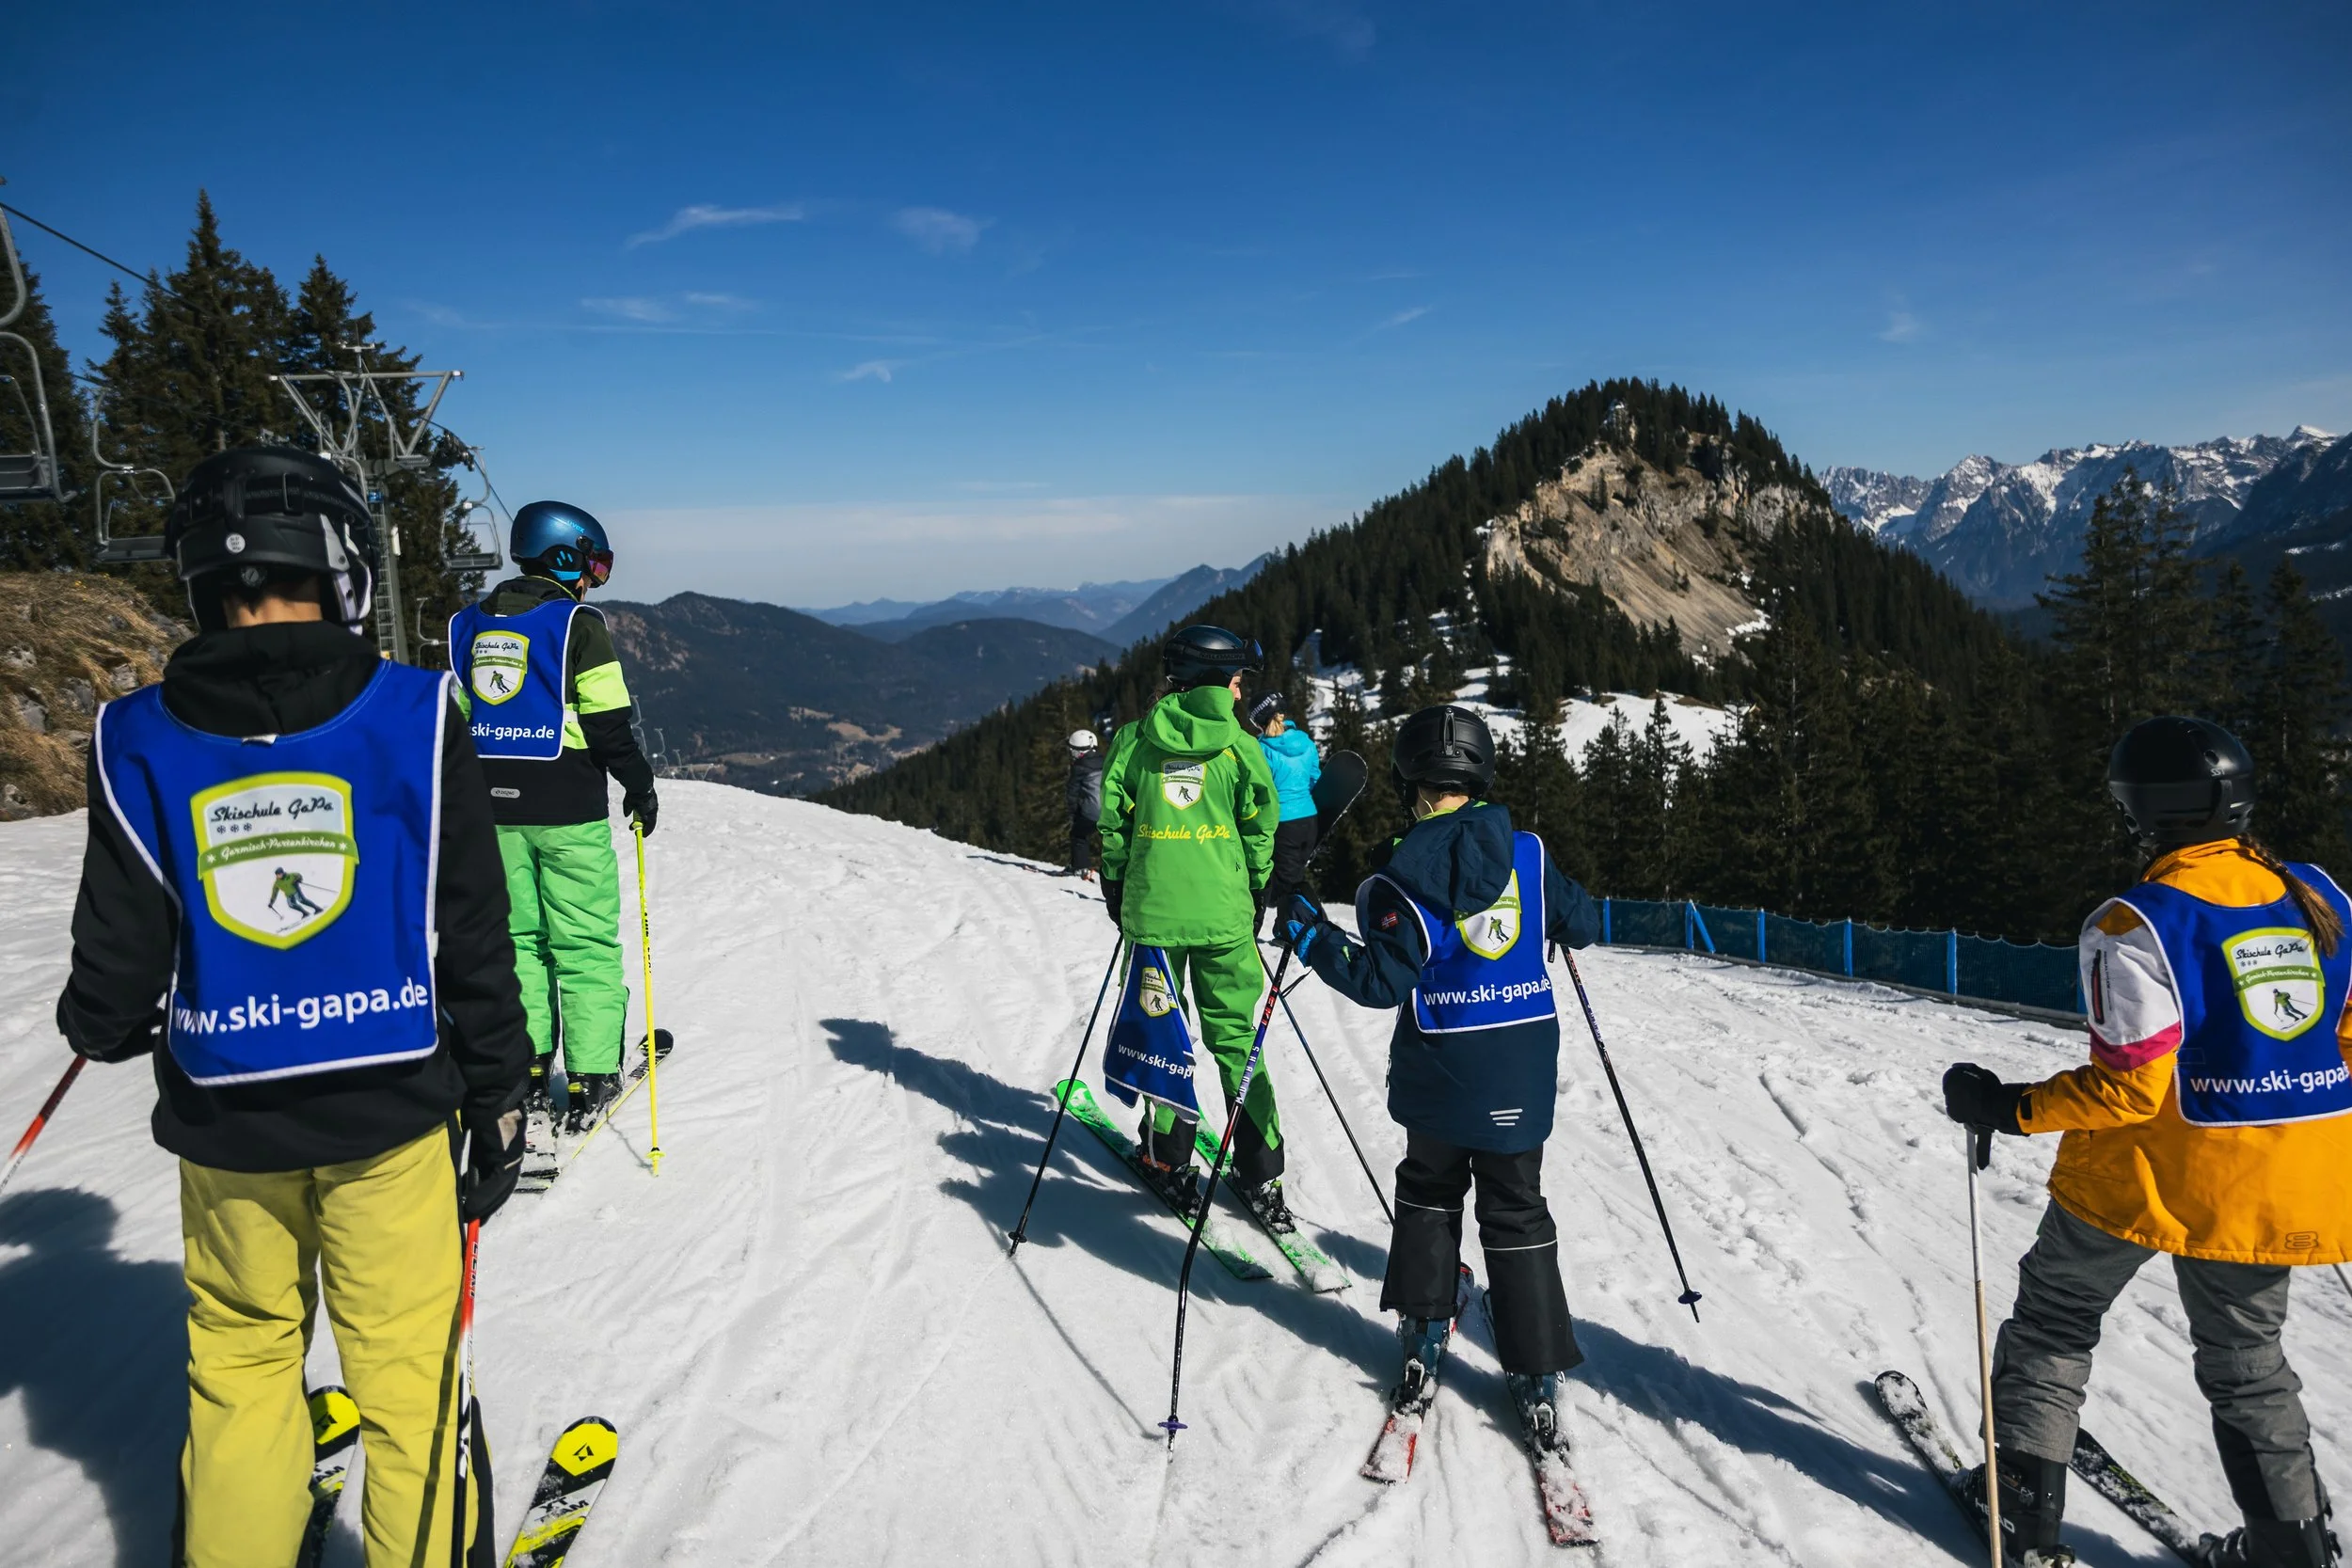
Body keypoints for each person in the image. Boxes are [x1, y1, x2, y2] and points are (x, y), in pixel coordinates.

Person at [55, 447, 532, 1568]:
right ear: (343, 571)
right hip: (390, 1115)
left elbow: (118, 964)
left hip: (230, 1128)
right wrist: (500, 1090)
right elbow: (469, 927)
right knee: (407, 1377)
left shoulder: (137, 736)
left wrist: (107, 1022)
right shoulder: (415, 714)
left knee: (240, 1364)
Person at [1942, 716, 2349, 1568]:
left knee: (2055, 1322)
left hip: (2139, 1182)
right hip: (2267, 1184)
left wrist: (2007, 1106)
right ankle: (2293, 1551)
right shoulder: (2320, 893)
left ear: (2140, 810)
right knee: (2249, 1362)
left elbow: (2130, 1087)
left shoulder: (2137, 923)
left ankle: (2021, 1512)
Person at [1277, 704, 1601, 1453]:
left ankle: (1422, 1337)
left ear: (1412, 784)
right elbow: (1582, 924)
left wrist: (1303, 928)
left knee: (1429, 1191)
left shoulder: (1405, 872)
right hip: (1521, 1072)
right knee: (1517, 1210)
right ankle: (1537, 1370)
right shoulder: (1529, 852)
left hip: (1440, 1075)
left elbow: (1379, 980)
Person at [450, 501, 659, 1132]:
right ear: (564, 556)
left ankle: (530, 1069)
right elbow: (606, 720)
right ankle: (593, 1074)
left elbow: (459, 720)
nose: (593, 578)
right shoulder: (577, 624)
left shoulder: (468, 625)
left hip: (489, 813)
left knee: (518, 943)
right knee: (584, 940)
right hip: (566, 807)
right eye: (592, 562)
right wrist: (640, 784)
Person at [1098, 625, 1283, 1219]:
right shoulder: (1240, 747)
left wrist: (1117, 884)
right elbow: (1260, 826)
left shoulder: (1133, 741)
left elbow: (1113, 826)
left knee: (1160, 1035)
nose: (1239, 691)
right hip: (1224, 919)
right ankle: (1259, 1170)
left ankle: (1166, 1156)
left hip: (1153, 918)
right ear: (1215, 682)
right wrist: (1253, 887)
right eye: (1235, 680)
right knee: (1235, 1039)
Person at [1248, 689, 1321, 934]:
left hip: (1282, 823)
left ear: (1259, 722)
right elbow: (1314, 778)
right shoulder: (1305, 741)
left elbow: (1258, 788)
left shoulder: (1261, 749)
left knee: (1287, 882)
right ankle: (1284, 926)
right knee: (1292, 876)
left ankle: (1313, 926)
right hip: (1308, 820)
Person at [1067, 728, 1104, 879]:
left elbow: (1072, 792)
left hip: (1091, 812)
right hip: (1110, 810)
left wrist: (1073, 812)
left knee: (1078, 835)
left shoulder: (1079, 767)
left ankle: (1080, 868)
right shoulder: (1104, 759)